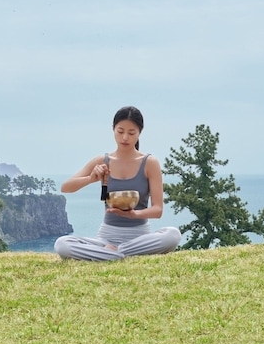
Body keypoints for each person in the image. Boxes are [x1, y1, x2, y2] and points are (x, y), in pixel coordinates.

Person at [54, 106, 182, 261]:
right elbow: (66, 187)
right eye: (120, 131)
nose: (125, 138)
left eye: (131, 133)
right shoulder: (103, 160)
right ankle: (117, 253)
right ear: (113, 129)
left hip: (140, 238)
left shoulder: (150, 163)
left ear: (140, 132)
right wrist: (91, 179)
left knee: (173, 235)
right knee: (62, 244)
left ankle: (116, 253)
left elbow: (157, 210)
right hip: (106, 238)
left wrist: (134, 214)